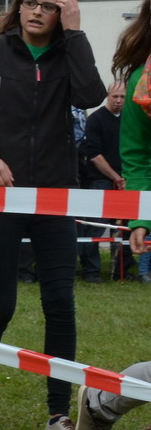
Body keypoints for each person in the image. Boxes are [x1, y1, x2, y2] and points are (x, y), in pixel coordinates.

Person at [0, 0, 104, 430]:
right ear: (19, 7)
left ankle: (58, 413)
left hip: (56, 193)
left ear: (62, 13)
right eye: (30, 4)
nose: (37, 12)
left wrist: (75, 34)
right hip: (1, 193)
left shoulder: (67, 53)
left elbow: (91, 96)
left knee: (60, 302)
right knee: (2, 303)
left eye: (49, 6)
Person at [73, 0, 151, 430]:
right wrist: (141, 216)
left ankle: (103, 403)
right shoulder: (145, 82)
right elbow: (138, 157)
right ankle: (101, 404)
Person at [78, 80, 127, 282]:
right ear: (108, 95)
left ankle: (121, 271)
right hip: (101, 181)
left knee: (125, 227)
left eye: (122, 97)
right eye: (114, 96)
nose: (118, 100)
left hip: (127, 181)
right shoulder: (96, 119)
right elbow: (94, 155)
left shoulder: (129, 120)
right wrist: (116, 177)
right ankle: (91, 271)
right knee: (95, 226)